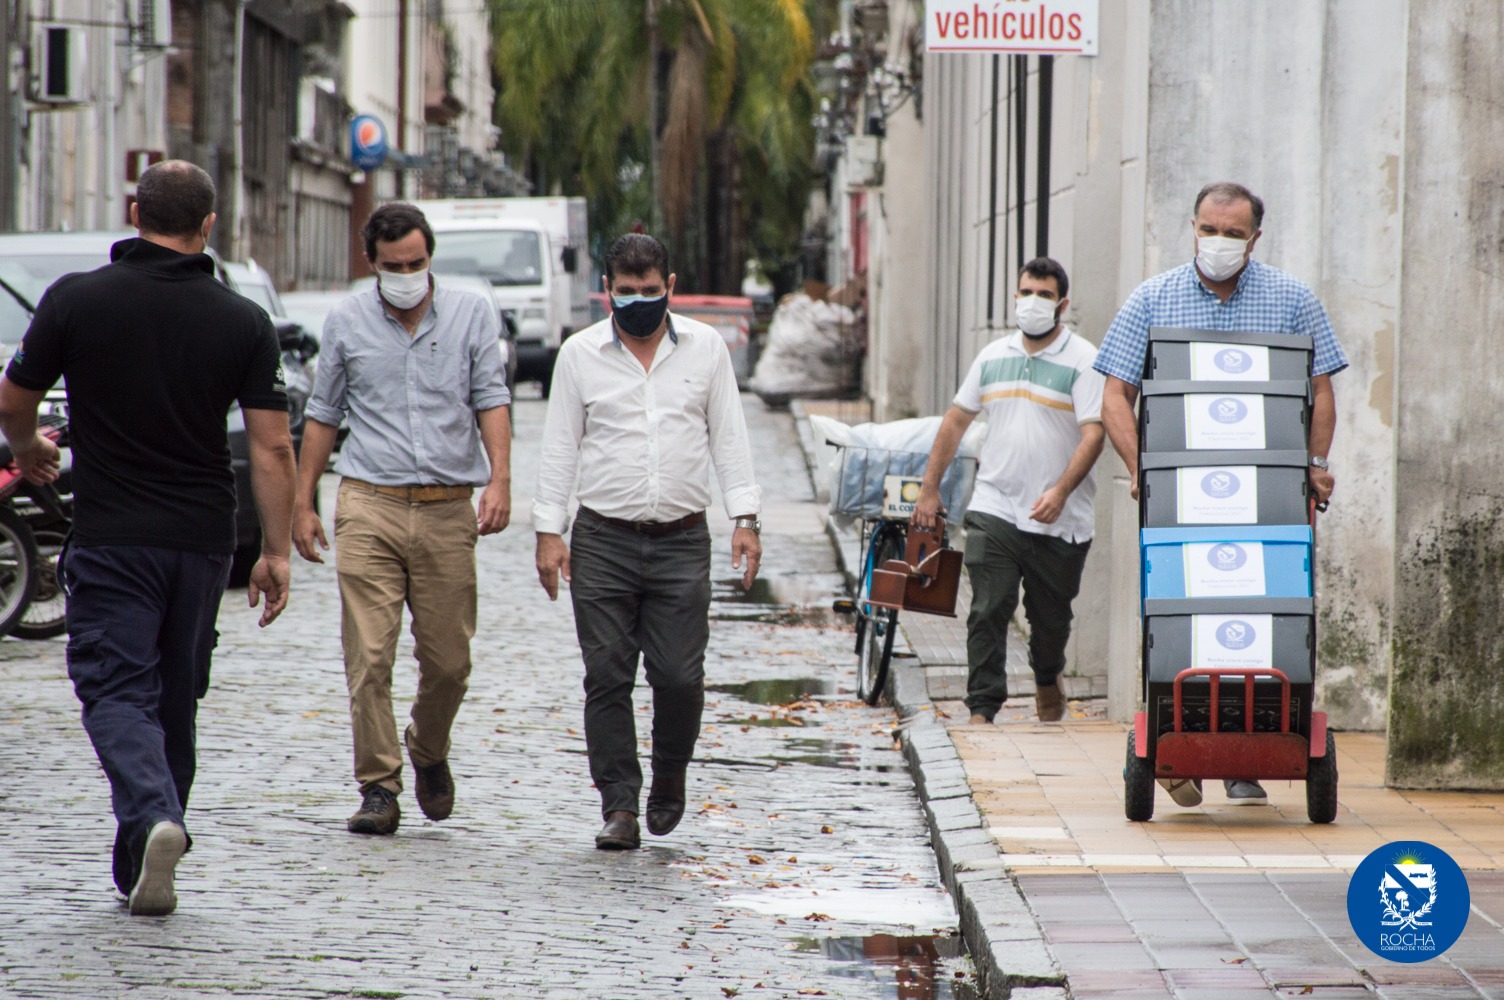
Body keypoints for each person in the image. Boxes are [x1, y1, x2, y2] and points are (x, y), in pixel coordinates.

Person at [0, 160, 297, 915]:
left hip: (113, 535)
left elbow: (14, 397)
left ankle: (156, 816)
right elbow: (272, 447)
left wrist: (28, 448)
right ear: (208, 225)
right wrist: (274, 551)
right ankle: (144, 857)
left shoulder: (77, 299)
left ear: (135, 213)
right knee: (173, 699)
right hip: (202, 541)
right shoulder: (242, 320)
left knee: (113, 686)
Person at [1094, 181, 1349, 807]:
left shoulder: (1292, 300)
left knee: (1263, 613)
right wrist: (1141, 468)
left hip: (1272, 500)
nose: (1219, 242)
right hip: (1181, 502)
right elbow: (1114, 396)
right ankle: (1178, 737)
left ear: (1254, 238)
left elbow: (1321, 390)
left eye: (1233, 233)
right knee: (1181, 614)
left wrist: (1316, 464)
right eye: (1209, 229)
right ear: (1193, 227)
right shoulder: (1152, 299)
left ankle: (1247, 757)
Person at [534, 233, 762, 851]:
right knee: (607, 675)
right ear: (607, 290)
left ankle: (669, 775)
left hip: (681, 542)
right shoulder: (579, 355)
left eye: (651, 290)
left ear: (671, 287)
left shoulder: (706, 350)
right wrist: (549, 531)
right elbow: (559, 446)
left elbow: (729, 438)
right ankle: (619, 804)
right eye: (627, 291)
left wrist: (745, 519)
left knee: (679, 676)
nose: (639, 301)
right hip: (602, 540)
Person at [293, 203, 511, 836]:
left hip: (447, 507)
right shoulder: (347, 321)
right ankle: (379, 785)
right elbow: (323, 413)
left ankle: (428, 748)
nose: (407, 275)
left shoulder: (471, 313)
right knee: (369, 656)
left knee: (449, 663)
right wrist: (303, 503)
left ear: (430, 256)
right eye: (394, 266)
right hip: (369, 502)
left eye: (417, 263)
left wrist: (500, 479)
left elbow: (491, 398)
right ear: (372, 263)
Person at [913, 258, 1106, 725]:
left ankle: (1047, 676)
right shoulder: (992, 356)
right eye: (1027, 293)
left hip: (1060, 518)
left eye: (1044, 295)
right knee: (987, 607)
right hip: (994, 504)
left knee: (1049, 623)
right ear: (1015, 297)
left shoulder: (1084, 360)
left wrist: (1060, 492)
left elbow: (1094, 434)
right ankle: (982, 708)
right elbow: (955, 421)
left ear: (1062, 304)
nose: (1033, 302)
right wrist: (929, 488)